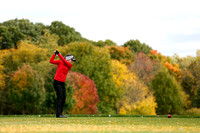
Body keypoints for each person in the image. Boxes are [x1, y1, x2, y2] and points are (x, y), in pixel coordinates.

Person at [49, 50, 76, 118]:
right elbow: (51, 61)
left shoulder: (69, 65)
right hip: (57, 82)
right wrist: (55, 54)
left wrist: (59, 54)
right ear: (68, 59)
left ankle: (60, 113)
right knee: (60, 97)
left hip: (62, 83)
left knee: (64, 97)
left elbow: (64, 61)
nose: (72, 61)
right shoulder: (60, 61)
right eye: (71, 60)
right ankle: (58, 114)